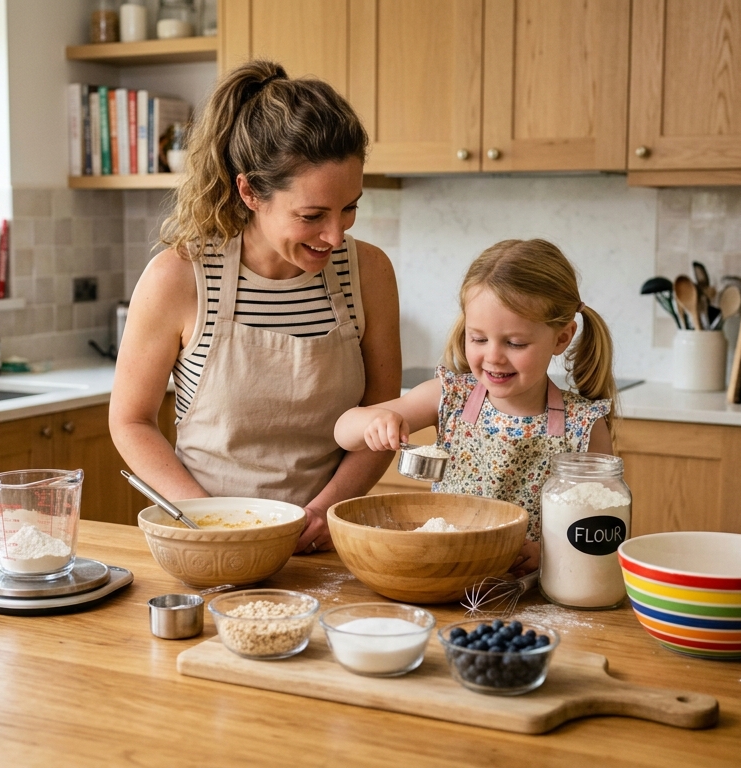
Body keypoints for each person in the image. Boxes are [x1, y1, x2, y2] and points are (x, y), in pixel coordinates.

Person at [110, 60, 401, 555]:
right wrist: (210, 521)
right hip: (204, 540)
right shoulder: (179, 279)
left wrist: (327, 512)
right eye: (312, 216)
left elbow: (380, 413)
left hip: (327, 542)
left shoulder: (368, 273)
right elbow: (131, 421)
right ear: (250, 192)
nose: (336, 235)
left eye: (349, 207)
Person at [334, 239, 616, 576]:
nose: (493, 356)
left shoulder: (584, 427)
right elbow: (343, 432)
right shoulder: (449, 396)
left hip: (528, 590)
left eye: (515, 343)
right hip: (450, 575)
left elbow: (602, 533)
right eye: (478, 338)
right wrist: (374, 420)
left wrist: (547, 554)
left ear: (561, 338)